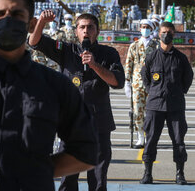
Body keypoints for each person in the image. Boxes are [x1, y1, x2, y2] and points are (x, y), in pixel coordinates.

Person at [0, 0, 98, 190]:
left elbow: (86, 151)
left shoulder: (55, 85)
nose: (7, 20)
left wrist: (36, 170)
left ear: (31, 24)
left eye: (17, 14)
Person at [29, 11, 125, 191]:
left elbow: (117, 82)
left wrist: (95, 65)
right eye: (82, 27)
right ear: (76, 31)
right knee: (68, 179)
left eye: (90, 27)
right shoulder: (66, 50)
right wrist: (41, 21)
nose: (86, 30)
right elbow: (34, 42)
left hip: (99, 123)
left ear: (97, 32)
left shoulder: (109, 53)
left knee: (98, 179)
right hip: (70, 124)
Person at [140, 21, 194, 185]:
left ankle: (180, 173)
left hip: (175, 105)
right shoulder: (151, 57)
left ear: (174, 35)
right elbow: (145, 78)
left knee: (178, 140)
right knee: (150, 140)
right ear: (158, 33)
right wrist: (154, 92)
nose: (166, 35)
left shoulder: (181, 58)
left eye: (170, 32)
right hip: (155, 105)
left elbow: (188, 79)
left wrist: (178, 92)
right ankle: (147, 173)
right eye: (164, 32)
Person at [124, 19, 159, 149]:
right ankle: (140, 136)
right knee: (137, 110)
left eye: (147, 27)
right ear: (140, 29)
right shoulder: (134, 45)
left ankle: (150, 136)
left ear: (151, 29)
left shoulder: (156, 45)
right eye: (143, 27)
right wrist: (127, 82)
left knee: (151, 111)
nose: (145, 29)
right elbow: (129, 64)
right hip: (137, 83)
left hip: (152, 83)